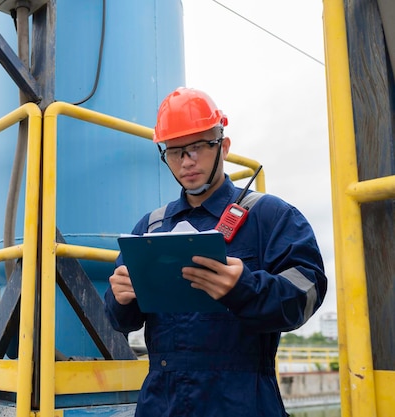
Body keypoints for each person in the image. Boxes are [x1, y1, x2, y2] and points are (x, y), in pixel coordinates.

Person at [104, 87, 328, 416]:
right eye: (175, 151)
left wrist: (245, 289)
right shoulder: (150, 228)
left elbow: (307, 292)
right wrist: (121, 299)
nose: (186, 160)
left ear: (223, 146)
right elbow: (119, 321)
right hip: (162, 402)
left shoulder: (270, 217)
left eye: (197, 146)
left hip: (243, 400)